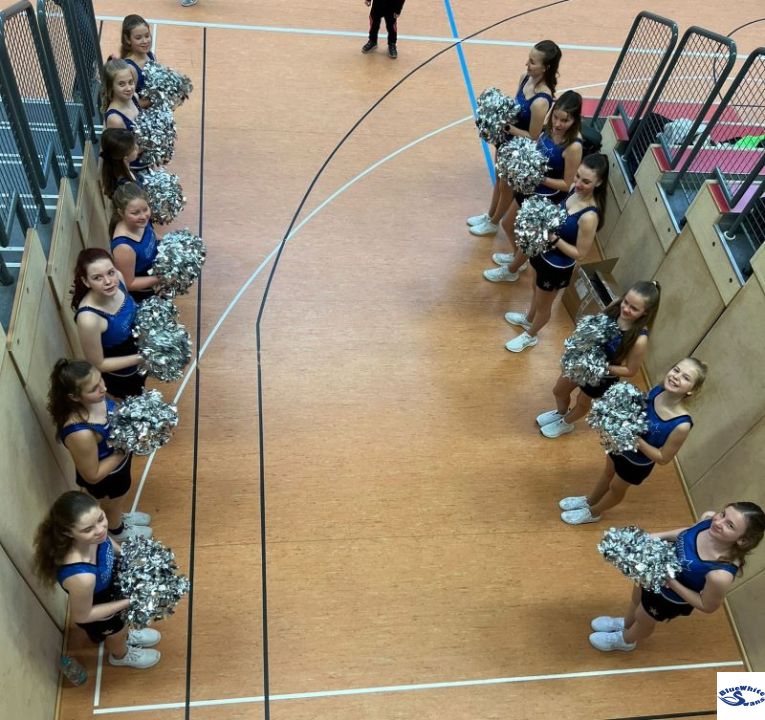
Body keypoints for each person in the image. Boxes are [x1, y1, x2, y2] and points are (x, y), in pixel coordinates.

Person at [589, 502, 765, 652]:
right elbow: (686, 533)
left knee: (643, 618)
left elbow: (707, 605)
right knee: (636, 599)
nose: (719, 522)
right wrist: (654, 537)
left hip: (670, 597)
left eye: (730, 525)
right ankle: (626, 624)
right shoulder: (709, 521)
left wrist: (671, 581)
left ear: (742, 540)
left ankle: (625, 641)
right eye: (723, 514)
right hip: (654, 572)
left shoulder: (720, 574)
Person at [559, 357, 706, 525]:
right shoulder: (657, 390)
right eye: (676, 370)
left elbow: (663, 458)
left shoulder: (682, 424)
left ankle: (594, 512)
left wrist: (633, 437)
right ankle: (590, 501)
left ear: (691, 390)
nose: (676, 376)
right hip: (619, 446)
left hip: (636, 463)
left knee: (616, 488)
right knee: (607, 473)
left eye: (686, 378)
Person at [33, 492, 161, 669]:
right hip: (100, 609)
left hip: (112, 591)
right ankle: (120, 655)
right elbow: (83, 615)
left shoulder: (95, 536)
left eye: (101, 518)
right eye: (87, 529)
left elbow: (107, 543)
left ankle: (125, 634)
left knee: (123, 625)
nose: (100, 530)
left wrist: (126, 556)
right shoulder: (82, 576)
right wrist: (130, 601)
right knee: (116, 633)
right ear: (68, 532)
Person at [504, 153, 609, 353]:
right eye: (578, 176)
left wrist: (554, 239)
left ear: (599, 182)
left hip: (556, 266)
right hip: (542, 252)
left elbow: (580, 254)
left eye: (586, 181)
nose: (578, 183)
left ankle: (530, 335)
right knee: (535, 290)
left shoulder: (589, 217)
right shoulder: (573, 190)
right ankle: (528, 319)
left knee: (544, 305)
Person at [536, 281, 661, 438]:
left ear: (645, 312)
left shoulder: (640, 339)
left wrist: (600, 366)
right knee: (559, 390)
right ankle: (561, 413)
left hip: (602, 377)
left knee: (582, 402)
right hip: (581, 363)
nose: (626, 309)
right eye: (626, 302)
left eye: (634, 308)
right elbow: (595, 325)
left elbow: (630, 370)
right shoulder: (616, 307)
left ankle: (566, 423)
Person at [484, 90, 583, 282]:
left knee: (528, 237)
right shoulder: (550, 129)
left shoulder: (574, 146)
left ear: (575, 120)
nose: (558, 124)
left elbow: (567, 185)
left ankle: (512, 270)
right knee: (507, 224)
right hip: (530, 187)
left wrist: (539, 178)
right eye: (555, 117)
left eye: (565, 120)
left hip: (546, 200)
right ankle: (517, 259)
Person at [48, 359, 152, 542]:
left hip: (119, 465)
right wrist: (126, 448)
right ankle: (117, 530)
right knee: (113, 502)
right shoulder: (80, 433)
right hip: (107, 477)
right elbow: (92, 475)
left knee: (120, 498)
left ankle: (118, 517)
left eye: (100, 380)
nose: (103, 388)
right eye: (93, 388)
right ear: (75, 397)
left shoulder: (98, 398)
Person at [467, 41, 560, 237]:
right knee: (498, 179)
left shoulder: (541, 101)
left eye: (533, 62)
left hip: (518, 151)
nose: (527, 64)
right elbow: (514, 108)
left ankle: (494, 224)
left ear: (546, 67)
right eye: (529, 59)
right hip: (505, 140)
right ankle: (489, 216)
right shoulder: (524, 78)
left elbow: (533, 136)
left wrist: (508, 127)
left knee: (506, 187)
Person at [72, 248, 146, 400]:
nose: (108, 281)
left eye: (110, 272)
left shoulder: (119, 279)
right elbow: (98, 364)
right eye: (97, 278)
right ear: (86, 281)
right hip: (123, 376)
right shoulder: (88, 319)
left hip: (142, 356)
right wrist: (141, 357)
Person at [110, 183, 159, 303]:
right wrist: (161, 278)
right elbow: (129, 283)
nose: (143, 216)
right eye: (135, 213)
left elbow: (153, 237)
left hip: (157, 281)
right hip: (145, 296)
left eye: (145, 209)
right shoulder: (123, 247)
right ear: (121, 213)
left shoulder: (141, 222)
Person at [120, 15, 155, 108]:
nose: (145, 41)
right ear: (127, 39)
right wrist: (156, 98)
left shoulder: (150, 55)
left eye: (147, 36)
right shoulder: (129, 68)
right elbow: (128, 105)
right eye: (138, 38)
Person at [100, 128, 143, 199]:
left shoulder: (122, 169)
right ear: (125, 157)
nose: (138, 147)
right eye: (134, 148)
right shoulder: (126, 187)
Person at [102, 59, 140, 132]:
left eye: (130, 82)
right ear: (111, 86)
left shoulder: (134, 97)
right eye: (121, 84)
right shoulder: (115, 120)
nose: (129, 88)